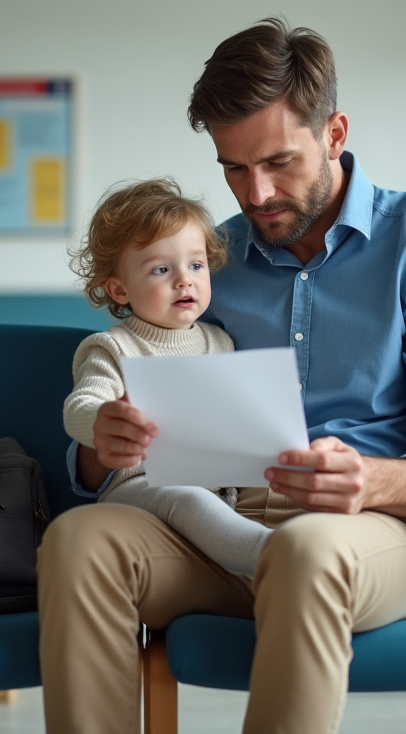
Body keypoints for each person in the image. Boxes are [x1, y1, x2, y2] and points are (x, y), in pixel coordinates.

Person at [38, 18, 406, 734]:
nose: (255, 194)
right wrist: (108, 441)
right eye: (232, 167)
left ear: (336, 134)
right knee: (79, 542)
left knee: (306, 548)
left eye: (279, 162)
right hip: (217, 528)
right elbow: (120, 440)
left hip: (375, 538)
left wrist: (370, 480)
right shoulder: (208, 260)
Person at [63, 178, 273, 577]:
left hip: (215, 490)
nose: (184, 279)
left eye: (196, 265)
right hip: (141, 487)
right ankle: (273, 556)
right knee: (189, 499)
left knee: (218, 500)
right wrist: (104, 420)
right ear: (119, 289)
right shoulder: (112, 348)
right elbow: (80, 406)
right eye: (162, 269)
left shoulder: (221, 342)